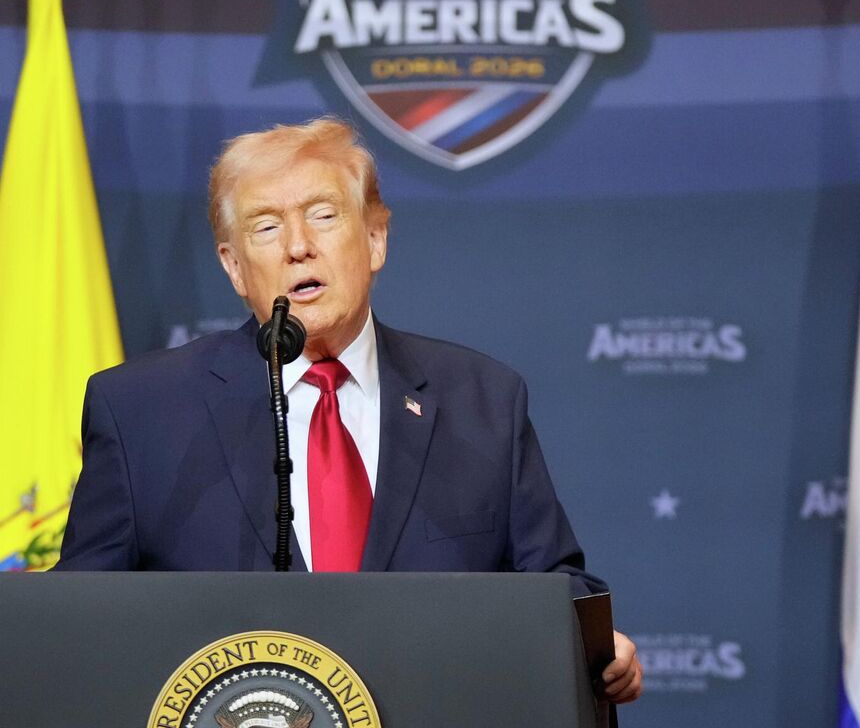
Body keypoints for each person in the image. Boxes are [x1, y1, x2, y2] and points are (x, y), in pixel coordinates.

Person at [53, 116, 642, 704]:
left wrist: (597, 649)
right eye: (266, 226)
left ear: (375, 239)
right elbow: (76, 626)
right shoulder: (141, 412)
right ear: (234, 266)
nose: (298, 245)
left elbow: (557, 588)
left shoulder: (481, 399)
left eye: (323, 214)